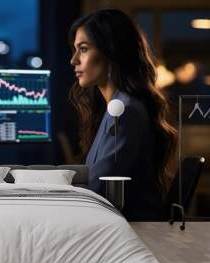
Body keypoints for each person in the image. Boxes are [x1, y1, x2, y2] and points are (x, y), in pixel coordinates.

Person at [68, 9, 178, 220]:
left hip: (133, 230)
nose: (74, 60)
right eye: (75, 50)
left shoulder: (125, 110)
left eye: (83, 49)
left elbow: (99, 185)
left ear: (111, 53)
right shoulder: (115, 107)